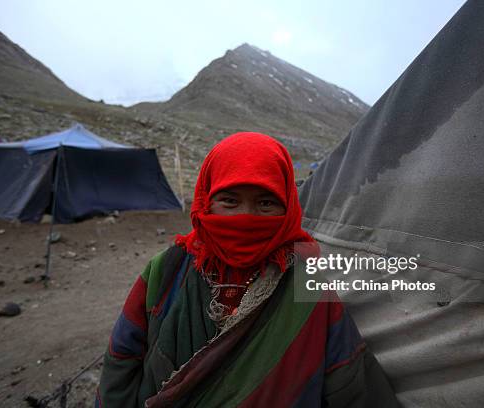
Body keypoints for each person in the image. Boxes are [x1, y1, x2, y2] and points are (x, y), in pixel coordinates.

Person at [95, 132, 398, 407]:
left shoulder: (308, 285)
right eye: (229, 200)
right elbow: (121, 361)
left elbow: (350, 381)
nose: (246, 216)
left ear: (288, 207)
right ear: (206, 201)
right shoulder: (166, 270)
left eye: (266, 203)